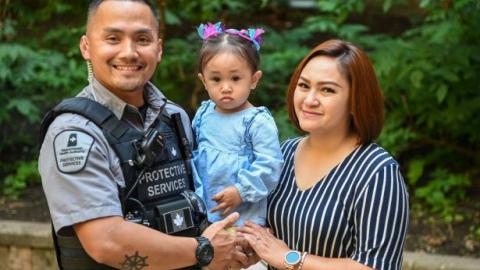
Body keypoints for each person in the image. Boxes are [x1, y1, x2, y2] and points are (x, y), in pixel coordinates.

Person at [38, 1, 239, 270]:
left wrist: (232, 242)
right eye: (113, 38)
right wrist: (205, 251)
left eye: (142, 39)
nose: (129, 52)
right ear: (86, 47)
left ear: (158, 48)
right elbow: (106, 241)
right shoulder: (74, 133)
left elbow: (197, 203)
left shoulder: (175, 117)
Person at [238, 39, 410, 270]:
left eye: (327, 90)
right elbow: (270, 235)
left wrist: (291, 258)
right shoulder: (285, 153)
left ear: (354, 100)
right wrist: (254, 248)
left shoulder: (377, 172)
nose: (310, 100)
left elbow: (377, 266)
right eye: (304, 86)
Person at [191, 22, 283, 227]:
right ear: (204, 81)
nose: (225, 87)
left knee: (237, 256)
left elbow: (270, 165)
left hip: (243, 216)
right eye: (216, 79)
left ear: (253, 79)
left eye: (235, 78)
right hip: (204, 212)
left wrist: (241, 191)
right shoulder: (204, 113)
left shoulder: (256, 121)